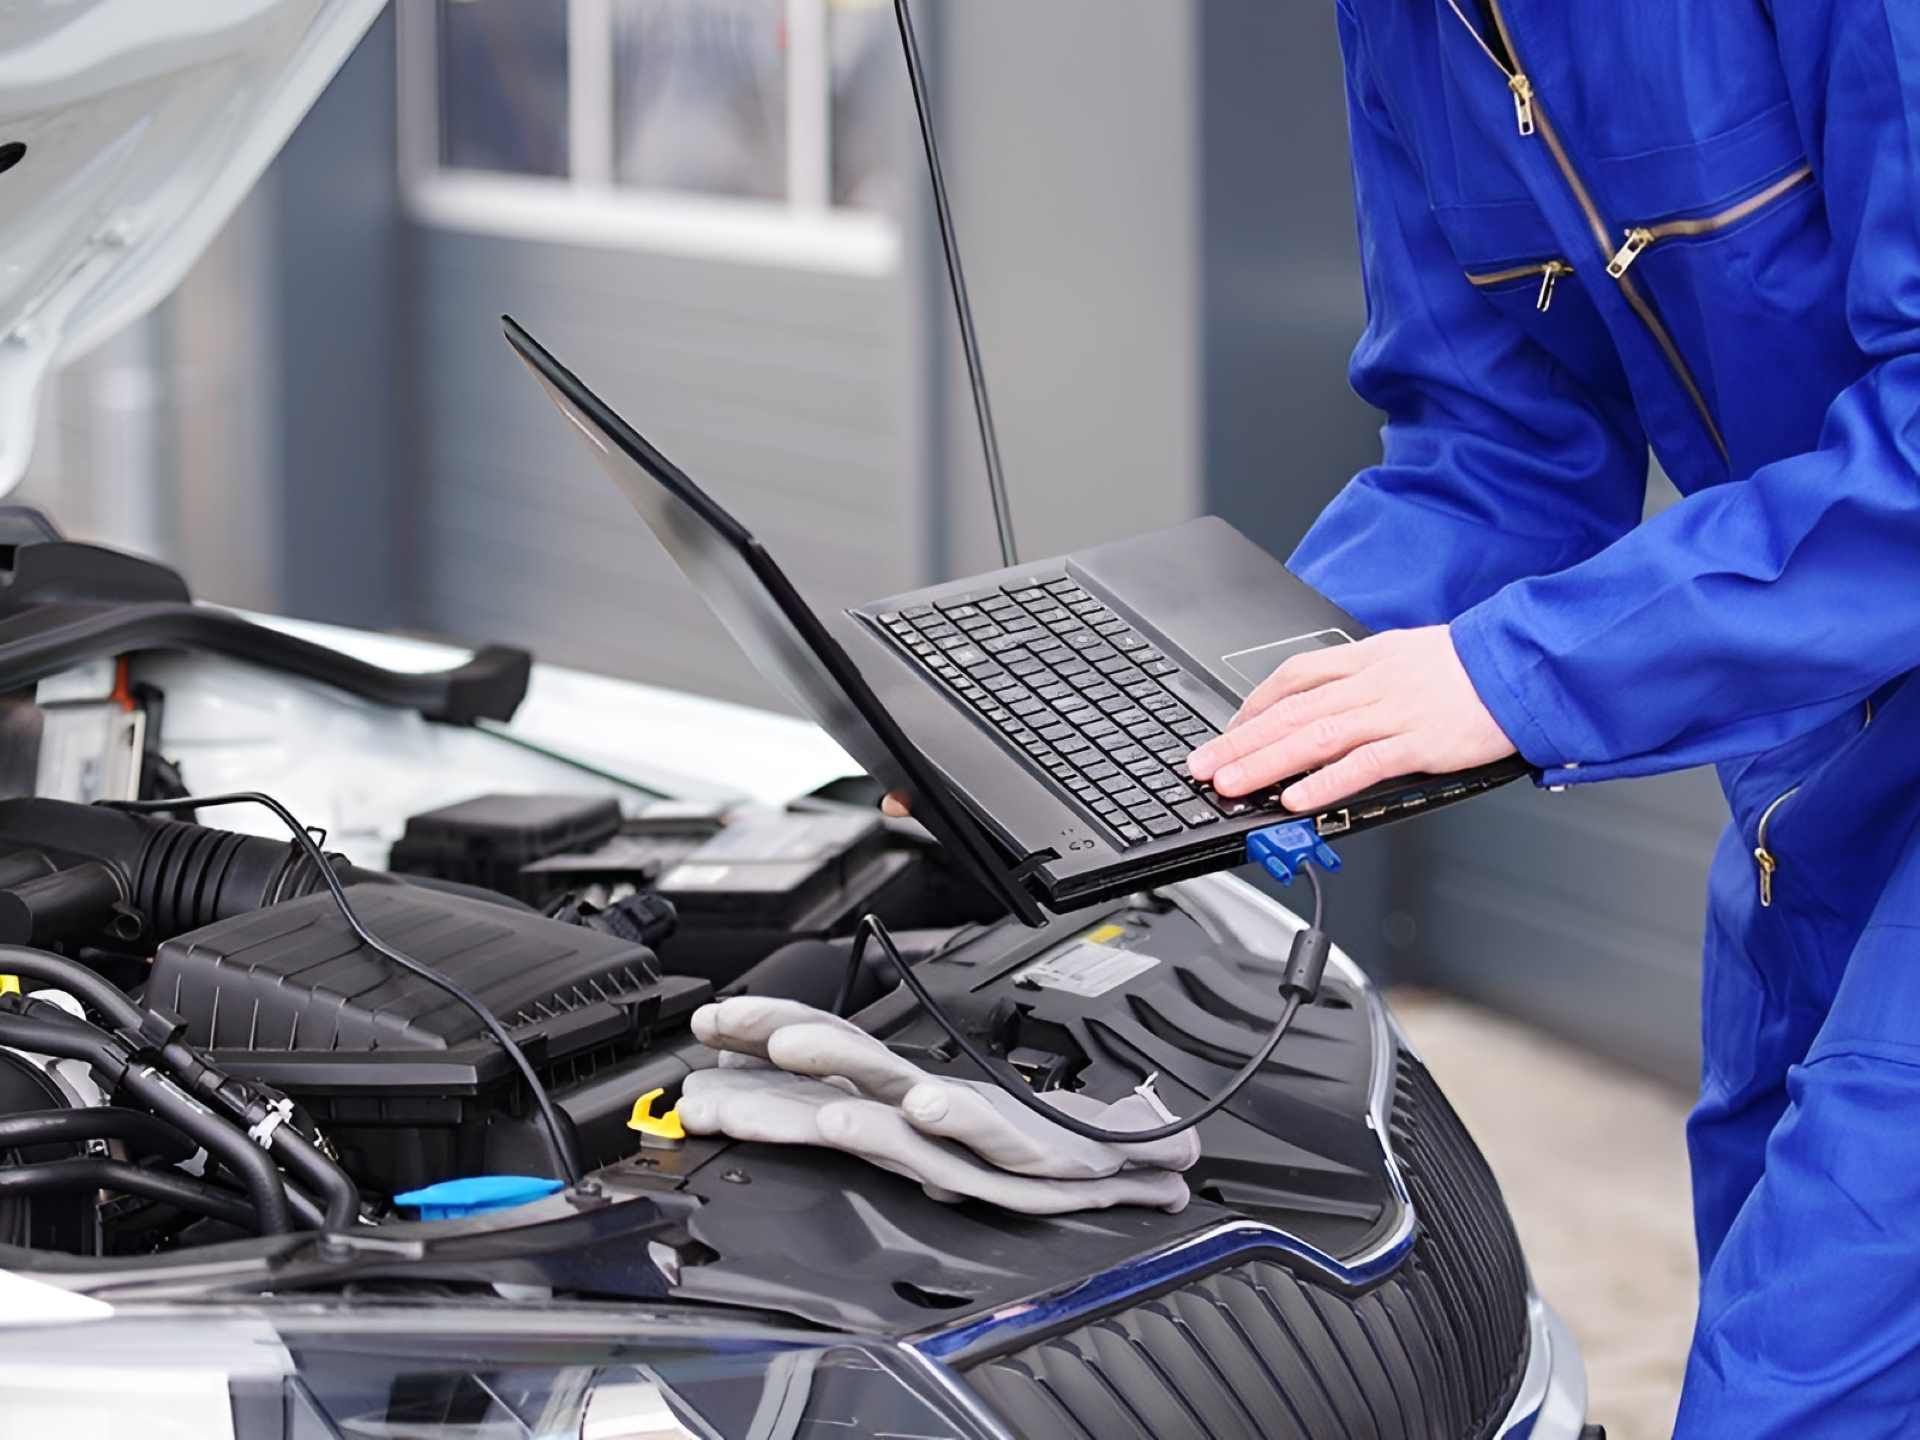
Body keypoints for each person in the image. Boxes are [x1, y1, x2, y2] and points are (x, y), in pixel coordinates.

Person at [897, 2, 1915, 1433]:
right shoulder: (1408, 30)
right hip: (1817, 752)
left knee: (1808, 1369)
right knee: (1768, 1246)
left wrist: (1518, 674)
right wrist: (1203, 721)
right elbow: (1498, 451)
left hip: (1834, 662)